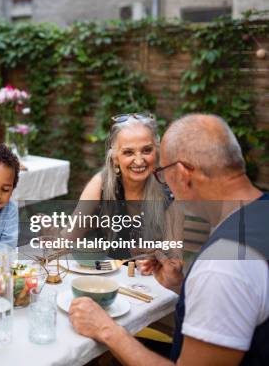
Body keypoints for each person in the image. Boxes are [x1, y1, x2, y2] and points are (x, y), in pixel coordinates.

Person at [69, 114, 269, 366]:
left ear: (183, 174)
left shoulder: (223, 266)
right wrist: (178, 284)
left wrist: (106, 329)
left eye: (162, 171)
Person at [73, 113, 175, 258]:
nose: (139, 161)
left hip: (152, 278)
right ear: (115, 158)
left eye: (147, 150)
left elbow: (174, 256)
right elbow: (69, 237)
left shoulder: (170, 190)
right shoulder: (101, 184)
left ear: (157, 152)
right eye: (128, 152)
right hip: (104, 277)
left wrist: (156, 257)